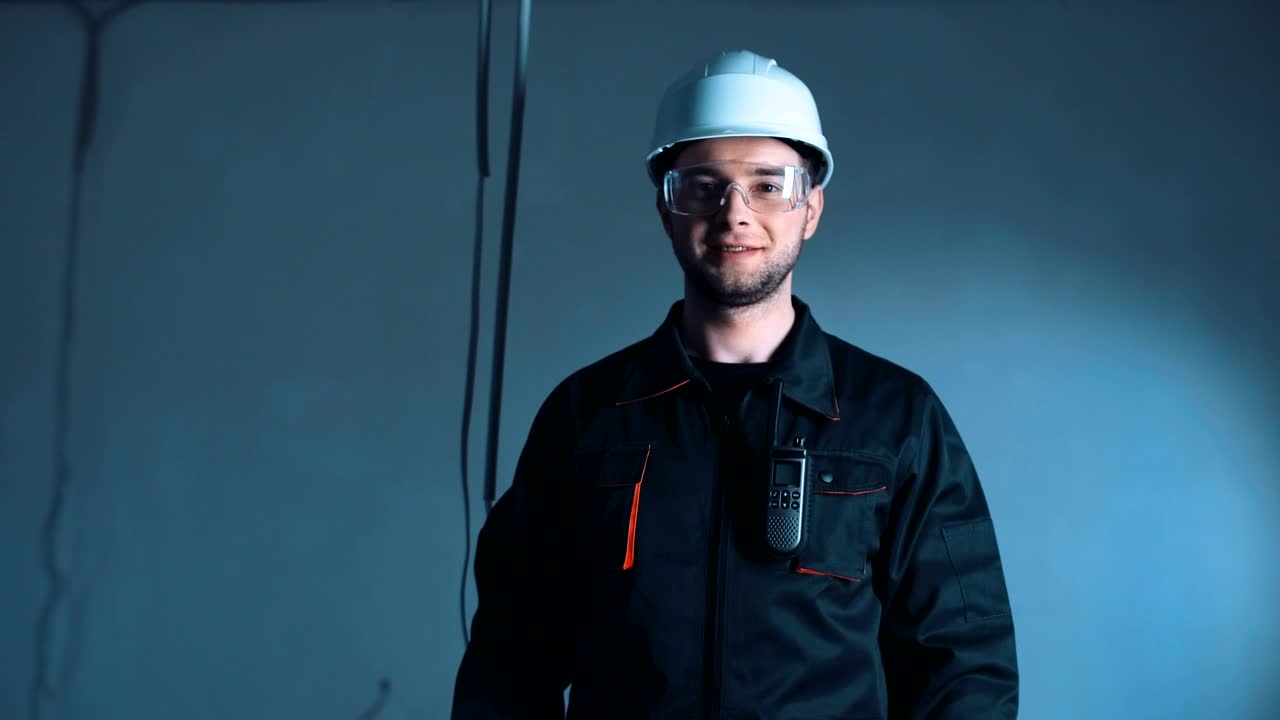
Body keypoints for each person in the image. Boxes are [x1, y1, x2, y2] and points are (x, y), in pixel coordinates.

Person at [453, 49, 1018, 719]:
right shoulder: (588, 414)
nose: (735, 213)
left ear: (810, 209)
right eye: (703, 185)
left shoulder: (895, 416)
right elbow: (509, 661)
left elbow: (965, 666)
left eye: (769, 183)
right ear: (667, 209)